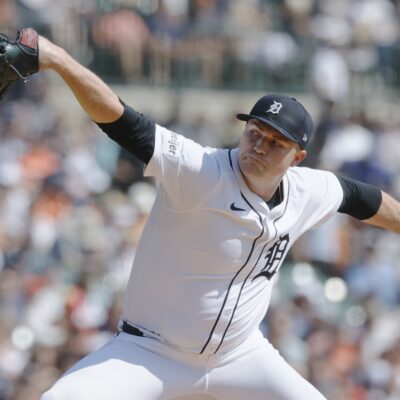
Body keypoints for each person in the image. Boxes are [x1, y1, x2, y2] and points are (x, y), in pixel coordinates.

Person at [24, 33, 400, 400]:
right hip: (151, 352)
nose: (259, 146)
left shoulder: (309, 190)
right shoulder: (200, 170)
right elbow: (122, 121)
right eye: (255, 132)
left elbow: (363, 198)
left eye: (276, 143)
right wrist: (57, 59)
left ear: (297, 157)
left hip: (241, 356)